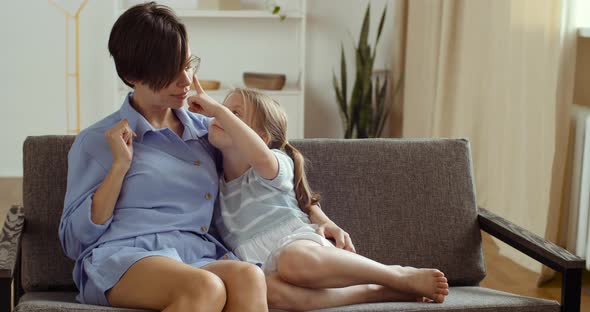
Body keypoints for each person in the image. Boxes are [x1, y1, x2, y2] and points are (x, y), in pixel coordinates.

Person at [59, 3, 271, 311]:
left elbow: (267, 172)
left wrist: (316, 215)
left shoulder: (206, 132)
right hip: (124, 258)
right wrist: (119, 167)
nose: (185, 81)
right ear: (133, 75)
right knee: (206, 287)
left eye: (187, 65)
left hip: (195, 254)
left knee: (250, 276)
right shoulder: (97, 141)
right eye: (170, 71)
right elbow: (74, 241)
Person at [187, 84, 451, 311]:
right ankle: (376, 290)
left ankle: (395, 274)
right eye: (223, 108)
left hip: (296, 243)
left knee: (292, 262)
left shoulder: (273, 164)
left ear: (262, 137)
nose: (219, 115)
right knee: (268, 291)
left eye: (235, 114)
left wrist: (219, 112)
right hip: (257, 262)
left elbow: (259, 156)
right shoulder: (213, 183)